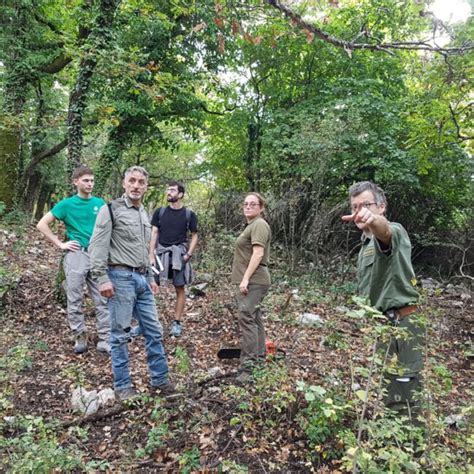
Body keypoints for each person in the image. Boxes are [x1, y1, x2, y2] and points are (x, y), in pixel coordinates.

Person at [89, 166, 174, 401]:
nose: (136, 186)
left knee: (154, 330)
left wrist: (149, 278)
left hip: (141, 279)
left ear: (146, 187)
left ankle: (160, 379)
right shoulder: (111, 210)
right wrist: (102, 278)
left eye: (141, 182)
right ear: (124, 183)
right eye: (132, 181)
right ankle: (123, 385)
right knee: (119, 334)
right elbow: (97, 246)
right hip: (119, 277)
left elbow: (145, 250)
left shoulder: (143, 214)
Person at [342, 181, 424, 415]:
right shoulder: (365, 242)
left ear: (381, 207)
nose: (359, 212)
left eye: (365, 205)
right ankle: (391, 444)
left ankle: (413, 450)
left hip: (402, 325)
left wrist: (374, 220)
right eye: (354, 207)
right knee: (388, 388)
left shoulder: (392, 231)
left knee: (405, 391)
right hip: (384, 326)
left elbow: (384, 231)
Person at [36, 166, 110, 355]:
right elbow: (42, 224)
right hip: (76, 254)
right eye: (86, 180)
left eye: (92, 180)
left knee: (102, 297)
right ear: (76, 182)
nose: (90, 184)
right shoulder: (67, 204)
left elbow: (109, 228)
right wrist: (60, 244)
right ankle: (79, 336)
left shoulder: (100, 204)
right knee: (75, 297)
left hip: (97, 256)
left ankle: (105, 338)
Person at [231, 192, 271, 383]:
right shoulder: (251, 226)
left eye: (253, 204)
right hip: (252, 280)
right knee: (254, 319)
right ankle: (259, 359)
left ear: (261, 207)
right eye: (246, 203)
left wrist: (245, 279)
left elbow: (258, 253)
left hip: (255, 280)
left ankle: (249, 367)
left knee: (247, 318)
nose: (248, 206)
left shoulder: (259, 225)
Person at [149, 181, 198, 337]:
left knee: (179, 288)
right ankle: (147, 322)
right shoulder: (160, 212)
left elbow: (195, 235)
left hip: (179, 255)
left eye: (172, 190)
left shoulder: (189, 214)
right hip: (160, 254)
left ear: (180, 194)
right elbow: (154, 232)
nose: (168, 192)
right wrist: (151, 253)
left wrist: (188, 254)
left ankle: (176, 323)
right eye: (167, 189)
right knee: (149, 288)